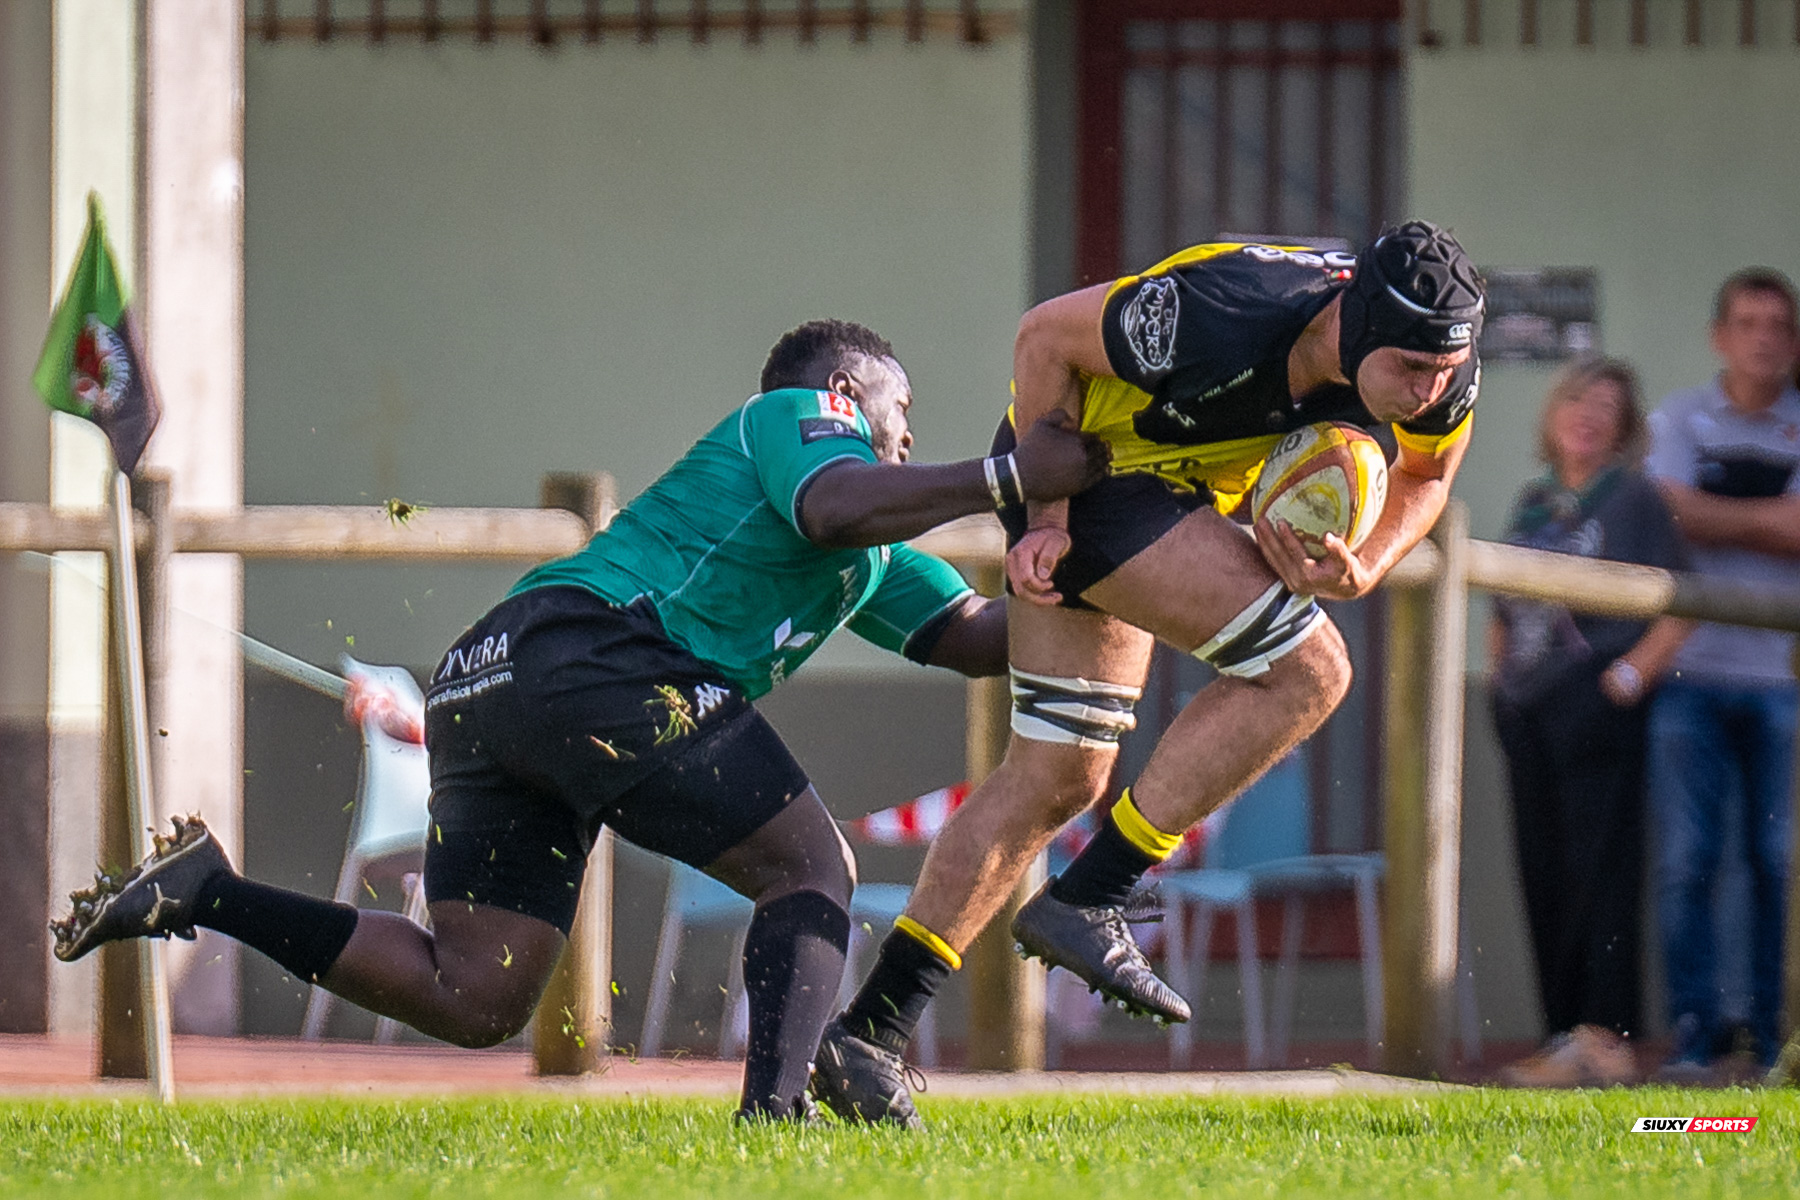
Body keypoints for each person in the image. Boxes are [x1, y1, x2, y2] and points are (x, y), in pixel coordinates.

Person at [49, 319, 1109, 1123]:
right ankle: (774, 1129)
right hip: (587, 653)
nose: (910, 430)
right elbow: (834, 503)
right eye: (900, 407)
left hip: (488, 676)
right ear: (845, 395)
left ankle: (207, 891)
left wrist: (1114, 578)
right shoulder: (794, 424)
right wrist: (1005, 475)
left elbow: (974, 635)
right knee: (812, 868)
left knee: (476, 993)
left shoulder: (872, 556)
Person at [812, 223, 1486, 1126]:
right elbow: (1044, 336)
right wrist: (1044, 515)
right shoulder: (1221, 308)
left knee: (1056, 777)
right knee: (1311, 673)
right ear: (1356, 324)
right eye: (1411, 370)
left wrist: (1367, 564)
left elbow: (1428, 473)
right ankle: (1095, 893)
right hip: (1088, 470)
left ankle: (867, 1033)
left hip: (1175, 494)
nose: (1429, 390)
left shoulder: (1438, 354)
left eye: (1443, 371)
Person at [1488, 358, 1690, 1088]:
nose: (1590, 414)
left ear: (1625, 426)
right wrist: (1501, 688)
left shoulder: (1635, 498)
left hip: (1598, 708)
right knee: (1543, 874)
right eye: (1578, 399)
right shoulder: (1535, 501)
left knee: (1601, 874)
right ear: (1554, 413)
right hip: (1527, 712)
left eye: (1608, 405)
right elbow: (1504, 602)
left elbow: (1682, 603)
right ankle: (1559, 1035)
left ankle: (1606, 1037)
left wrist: (1627, 678)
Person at [1643, 269, 1800, 1081]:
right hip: (1688, 674)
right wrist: (1766, 520)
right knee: (1688, 861)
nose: (1763, 337)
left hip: (1781, 680)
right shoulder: (1679, 417)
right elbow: (1664, 508)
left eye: (1778, 324)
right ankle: (1698, 1038)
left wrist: (1712, 511)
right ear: (1720, 336)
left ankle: (1772, 1039)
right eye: (1747, 321)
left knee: (1778, 862)